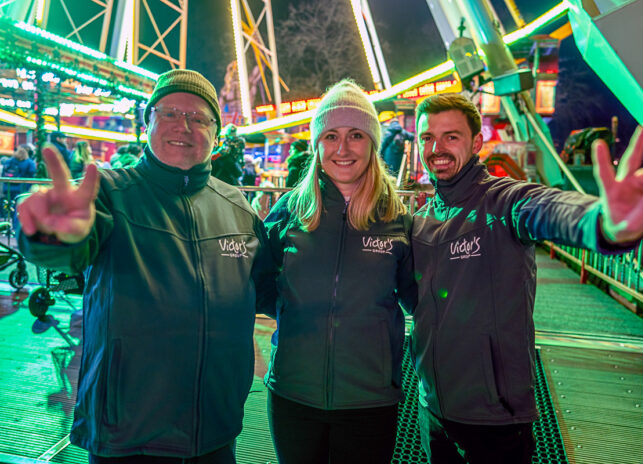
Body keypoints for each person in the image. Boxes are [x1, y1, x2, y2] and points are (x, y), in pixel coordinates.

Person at [17, 69, 275, 464]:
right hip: (129, 431)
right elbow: (70, 251)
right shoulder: (108, 192)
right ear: (147, 121)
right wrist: (50, 234)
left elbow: (272, 292)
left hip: (215, 430)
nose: (183, 126)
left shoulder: (238, 208)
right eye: (169, 113)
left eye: (199, 117)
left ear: (216, 134)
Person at [410, 93, 643, 464]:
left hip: (495, 417)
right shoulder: (421, 221)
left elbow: (547, 208)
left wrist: (603, 222)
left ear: (476, 143)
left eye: (451, 137)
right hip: (433, 409)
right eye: (427, 137)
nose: (436, 148)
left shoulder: (503, 202)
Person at [263, 79, 417, 464]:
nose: (343, 149)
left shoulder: (396, 219)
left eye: (356, 136)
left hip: (369, 399)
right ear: (317, 145)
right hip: (293, 396)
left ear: (372, 144)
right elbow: (260, 288)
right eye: (330, 135)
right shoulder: (289, 212)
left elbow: (423, 299)